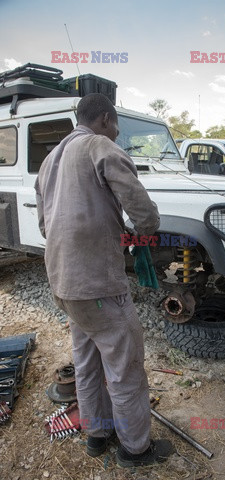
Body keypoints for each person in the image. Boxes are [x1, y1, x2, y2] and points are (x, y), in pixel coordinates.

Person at [35, 93, 174, 467]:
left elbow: (46, 226)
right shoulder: (100, 146)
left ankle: (96, 437)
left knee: (87, 363)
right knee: (126, 369)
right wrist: (139, 233)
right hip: (100, 288)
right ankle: (135, 450)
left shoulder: (49, 161)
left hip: (65, 286)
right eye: (115, 127)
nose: (115, 133)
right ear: (106, 119)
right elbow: (143, 213)